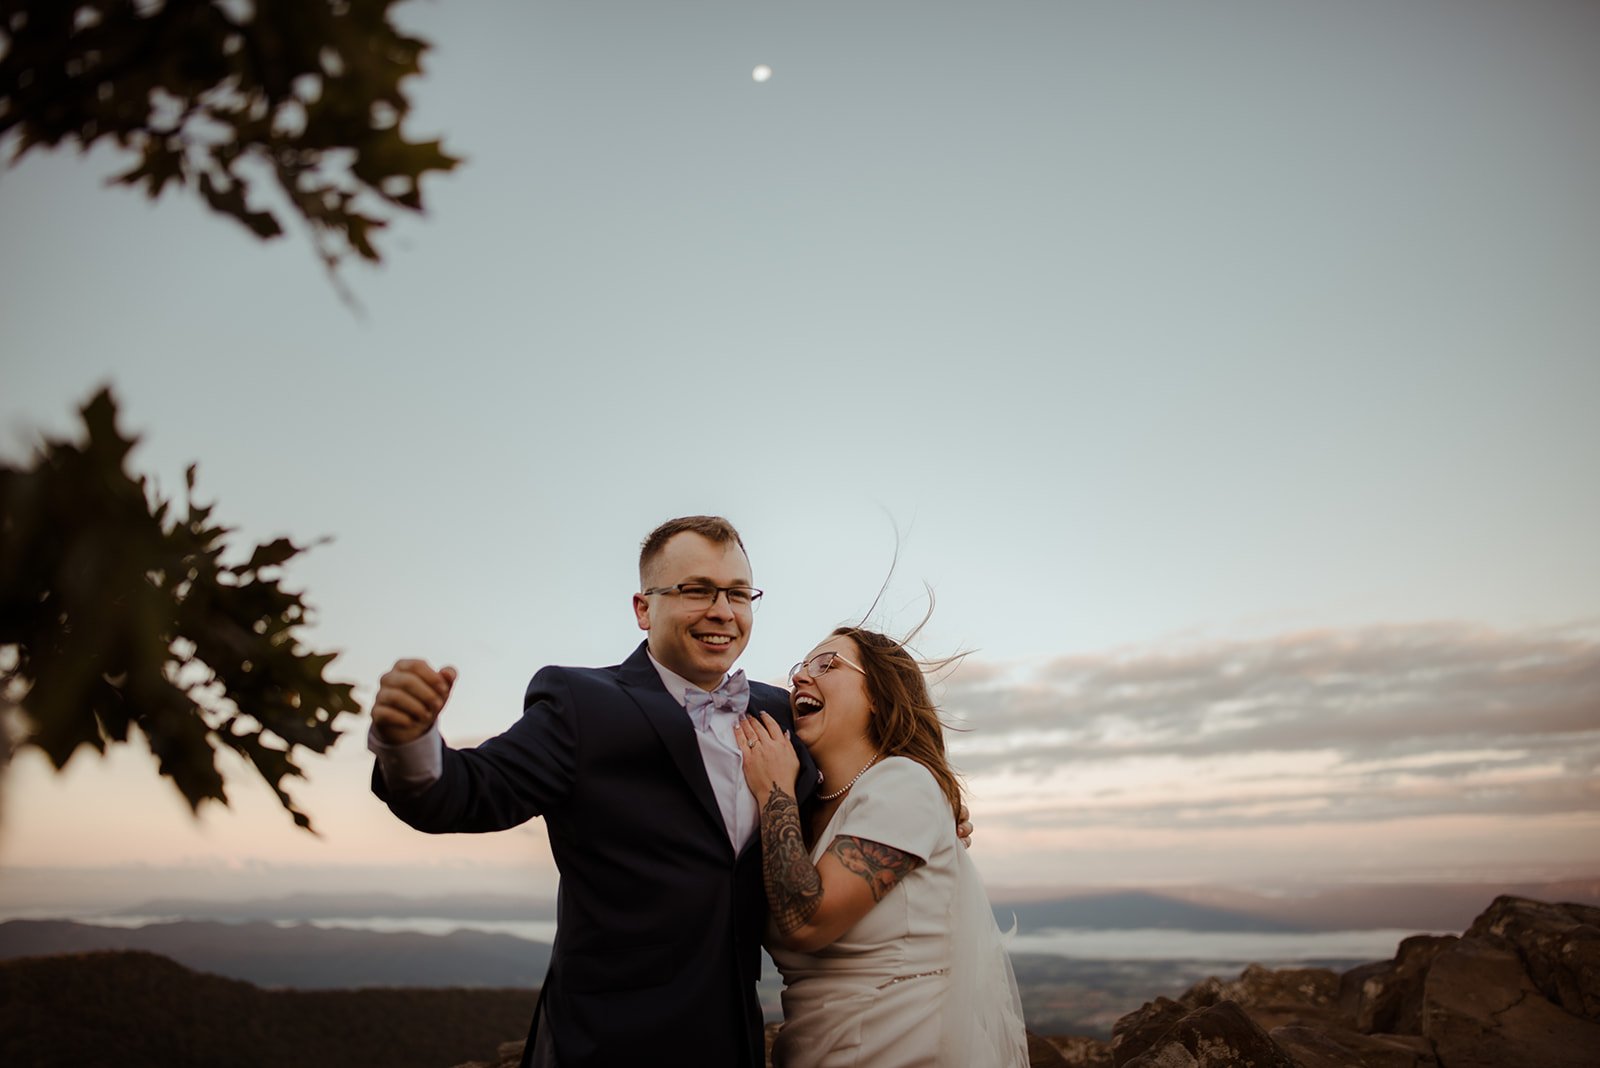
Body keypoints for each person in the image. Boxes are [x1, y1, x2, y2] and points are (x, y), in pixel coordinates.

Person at [367, 516, 969, 1068]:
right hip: (603, 1044)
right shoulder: (580, 704)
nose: (722, 610)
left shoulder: (783, 715)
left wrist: (942, 819)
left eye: (738, 593)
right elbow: (464, 793)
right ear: (642, 607)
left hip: (734, 1044)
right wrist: (408, 742)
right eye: (696, 589)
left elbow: (860, 781)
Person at [735, 624, 1029, 1068]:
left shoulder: (903, 782)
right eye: (799, 668)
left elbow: (806, 922)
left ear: (877, 695)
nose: (798, 678)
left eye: (826, 664)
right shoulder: (807, 810)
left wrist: (773, 790)